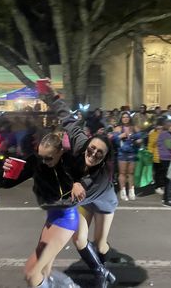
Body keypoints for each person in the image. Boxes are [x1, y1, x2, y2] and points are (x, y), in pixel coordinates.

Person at [0, 132, 84, 288]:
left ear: (61, 151)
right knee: (45, 270)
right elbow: (7, 181)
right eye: (41, 156)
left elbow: (92, 173)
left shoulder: (70, 162)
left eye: (48, 158)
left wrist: (78, 182)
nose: (43, 161)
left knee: (32, 272)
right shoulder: (36, 161)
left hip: (66, 218)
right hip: (52, 218)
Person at [51, 95, 118, 287]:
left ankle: (102, 265)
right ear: (87, 144)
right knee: (79, 238)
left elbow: (72, 199)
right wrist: (51, 95)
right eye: (92, 148)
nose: (94, 153)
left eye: (100, 153)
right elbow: (68, 119)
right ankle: (101, 273)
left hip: (103, 201)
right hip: (84, 199)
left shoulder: (102, 177)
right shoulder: (81, 143)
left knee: (100, 244)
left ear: (105, 158)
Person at [112, 111, 143, 201]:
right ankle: (123, 191)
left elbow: (141, 137)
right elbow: (113, 140)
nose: (125, 118)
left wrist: (139, 140)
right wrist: (119, 136)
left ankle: (131, 191)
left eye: (127, 117)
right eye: (123, 117)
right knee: (122, 173)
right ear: (121, 119)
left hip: (132, 152)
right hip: (122, 153)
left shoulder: (134, 128)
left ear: (129, 118)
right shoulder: (118, 128)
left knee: (131, 173)